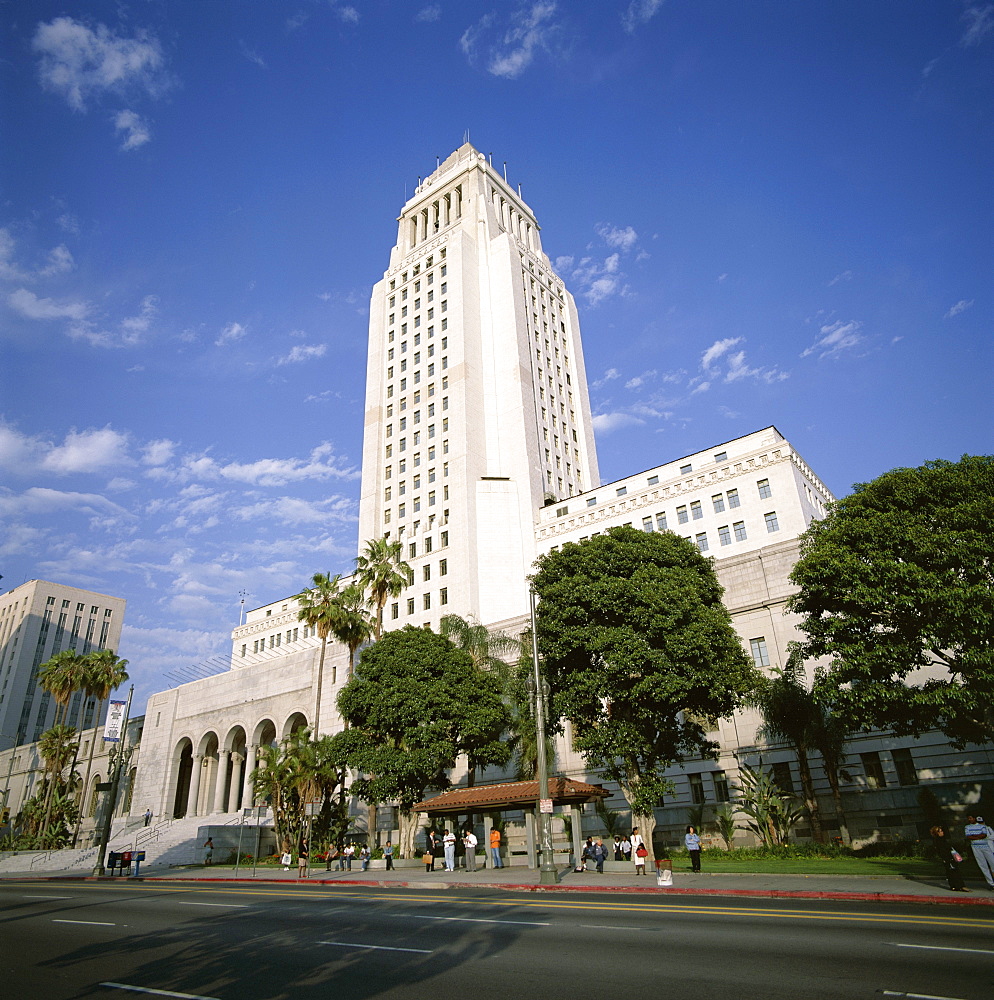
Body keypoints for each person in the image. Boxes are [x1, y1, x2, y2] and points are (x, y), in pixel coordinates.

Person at [930, 825, 967, 892]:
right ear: (937, 833)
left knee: (951, 872)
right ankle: (959, 885)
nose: (942, 832)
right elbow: (942, 850)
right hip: (948, 858)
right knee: (954, 871)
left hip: (948, 858)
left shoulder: (942, 840)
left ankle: (954, 886)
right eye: (940, 831)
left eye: (942, 831)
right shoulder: (939, 841)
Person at [965, 815, 994, 889]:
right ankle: (991, 883)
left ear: (974, 818)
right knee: (983, 865)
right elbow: (968, 836)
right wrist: (978, 836)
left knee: (992, 863)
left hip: (985, 846)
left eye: (971, 818)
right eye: (968, 818)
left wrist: (975, 836)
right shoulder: (967, 827)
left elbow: (984, 835)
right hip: (975, 847)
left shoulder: (982, 826)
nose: (970, 820)